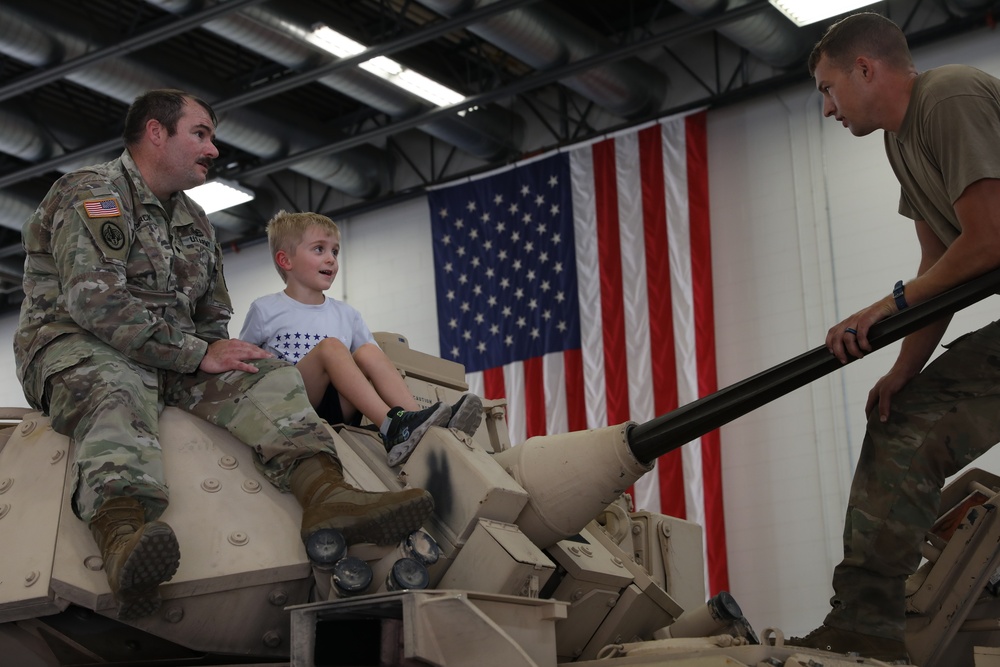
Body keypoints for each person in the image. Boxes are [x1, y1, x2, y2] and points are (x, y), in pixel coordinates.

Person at [13, 89, 435, 621]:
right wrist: (194, 351)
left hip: (172, 355)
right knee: (115, 386)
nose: (214, 149)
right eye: (201, 134)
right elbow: (95, 302)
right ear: (155, 133)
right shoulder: (92, 194)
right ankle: (122, 536)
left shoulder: (194, 219)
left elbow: (212, 315)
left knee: (266, 373)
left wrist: (215, 350)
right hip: (78, 346)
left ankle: (326, 494)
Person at [788, 13, 1000, 662]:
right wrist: (906, 364)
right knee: (900, 413)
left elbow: (989, 240)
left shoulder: (950, 96)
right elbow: (939, 270)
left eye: (827, 89)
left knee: (910, 425)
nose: (826, 108)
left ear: (865, 69)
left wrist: (887, 305)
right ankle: (865, 625)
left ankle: (864, 624)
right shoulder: (900, 141)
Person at [239, 210, 482, 467]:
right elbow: (246, 364)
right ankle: (391, 427)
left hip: (336, 408)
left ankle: (418, 422)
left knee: (368, 351)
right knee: (331, 347)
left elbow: (372, 366)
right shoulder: (266, 309)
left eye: (335, 251)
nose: (331, 259)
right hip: (292, 405)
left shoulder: (347, 314)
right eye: (319, 249)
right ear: (285, 260)